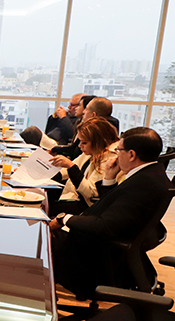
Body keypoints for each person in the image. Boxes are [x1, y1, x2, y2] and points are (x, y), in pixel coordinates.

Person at [49, 127, 171, 299]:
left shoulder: (144, 184)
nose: (115, 154)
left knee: (39, 242)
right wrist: (109, 179)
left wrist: (64, 219)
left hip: (93, 255)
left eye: (118, 150)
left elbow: (106, 225)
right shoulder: (150, 174)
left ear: (131, 155)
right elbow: (115, 207)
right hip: (101, 244)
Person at [47, 117, 119, 216]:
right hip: (75, 197)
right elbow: (65, 171)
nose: (80, 145)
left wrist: (71, 167)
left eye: (84, 142)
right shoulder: (93, 151)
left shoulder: (110, 159)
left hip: (86, 206)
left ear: (98, 142)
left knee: (48, 205)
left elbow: (90, 193)